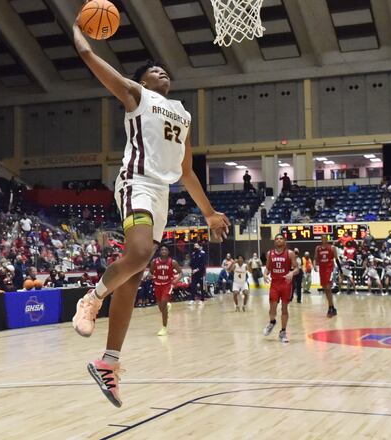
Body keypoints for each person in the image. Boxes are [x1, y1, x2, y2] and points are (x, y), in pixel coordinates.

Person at [70, 13, 231, 407]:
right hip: (136, 183)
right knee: (140, 254)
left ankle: (108, 363)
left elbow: (186, 171)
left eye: (164, 69)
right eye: (154, 70)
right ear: (143, 81)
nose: (162, 71)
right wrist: (78, 26)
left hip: (161, 193)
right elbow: (90, 56)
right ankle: (91, 298)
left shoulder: (183, 113)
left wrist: (209, 213)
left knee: (133, 276)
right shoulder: (137, 96)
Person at [262, 234, 297, 343]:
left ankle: (283, 332)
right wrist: (265, 274)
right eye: (277, 239)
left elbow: (297, 268)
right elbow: (268, 268)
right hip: (275, 284)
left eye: (281, 238)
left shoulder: (290, 253)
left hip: (286, 284)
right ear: (274, 242)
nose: (279, 240)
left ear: (285, 241)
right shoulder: (270, 253)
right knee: (273, 307)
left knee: (284, 308)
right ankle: (272, 322)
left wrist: (291, 273)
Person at [150, 246, 181, 336]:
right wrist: (150, 276)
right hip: (157, 285)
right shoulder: (154, 262)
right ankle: (166, 308)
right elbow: (151, 272)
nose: (163, 251)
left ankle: (164, 328)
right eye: (162, 250)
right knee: (161, 307)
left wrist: (176, 280)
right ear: (159, 252)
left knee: (163, 304)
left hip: (168, 285)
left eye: (165, 250)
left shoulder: (172, 262)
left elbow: (180, 272)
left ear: (168, 252)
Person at [314, 235, 337, 317]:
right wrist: (314, 266)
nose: (324, 239)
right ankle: (332, 307)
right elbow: (315, 258)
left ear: (327, 239)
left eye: (325, 238)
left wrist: (340, 271)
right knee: (325, 289)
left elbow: (336, 259)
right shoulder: (318, 248)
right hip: (322, 269)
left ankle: (331, 307)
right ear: (321, 239)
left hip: (329, 269)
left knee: (328, 287)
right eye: (322, 238)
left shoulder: (332, 247)